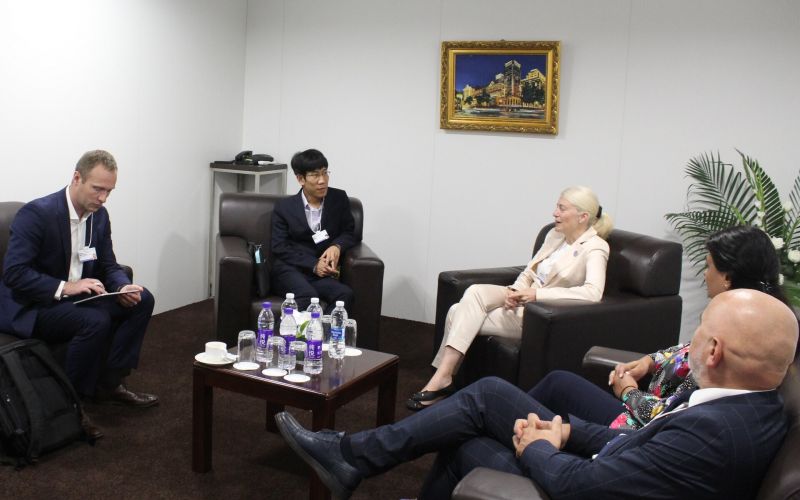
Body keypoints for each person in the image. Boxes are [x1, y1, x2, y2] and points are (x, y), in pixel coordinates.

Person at [276, 289, 798, 499]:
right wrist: (567, 431)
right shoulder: (750, 403)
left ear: (714, 352)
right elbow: (638, 445)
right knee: (486, 395)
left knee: (465, 440)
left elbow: (582, 487)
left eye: (700, 330)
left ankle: (352, 457)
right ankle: (353, 456)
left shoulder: (712, 434)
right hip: (605, 463)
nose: (691, 341)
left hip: (580, 486)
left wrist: (541, 447)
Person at [529, 224, 790, 430]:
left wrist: (628, 392)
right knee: (550, 395)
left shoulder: (732, 349)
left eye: (708, 266)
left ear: (728, 278)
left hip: (639, 432)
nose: (704, 274)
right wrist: (650, 362)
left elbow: (675, 414)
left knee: (550, 388)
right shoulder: (746, 321)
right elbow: (688, 349)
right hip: (643, 413)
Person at [408, 186, 613, 410]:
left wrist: (537, 294)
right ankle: (444, 378)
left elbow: (592, 292)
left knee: (457, 312)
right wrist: (515, 292)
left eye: (562, 208)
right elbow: (529, 272)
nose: (555, 213)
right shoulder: (555, 235)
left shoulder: (595, 247)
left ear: (583, 216)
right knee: (475, 291)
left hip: (539, 314)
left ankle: (441, 378)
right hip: (522, 299)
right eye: (557, 206)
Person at [0, 150, 158, 440]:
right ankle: (73, 404)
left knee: (142, 299)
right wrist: (66, 286)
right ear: (76, 178)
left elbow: (109, 265)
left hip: (77, 298)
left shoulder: (99, 217)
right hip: (35, 305)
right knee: (95, 320)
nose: (103, 198)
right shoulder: (38, 214)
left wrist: (122, 286)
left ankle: (110, 383)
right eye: (97, 189)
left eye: (109, 191)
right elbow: (15, 273)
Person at [270, 149, 360, 313]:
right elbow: (279, 246)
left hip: (319, 274)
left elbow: (349, 231)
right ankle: (279, 329)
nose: (322, 180)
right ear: (300, 179)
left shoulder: (338, 199)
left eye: (325, 173)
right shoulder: (284, 207)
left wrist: (337, 246)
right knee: (307, 296)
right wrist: (313, 264)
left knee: (344, 294)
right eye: (315, 175)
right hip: (291, 269)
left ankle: (324, 330)